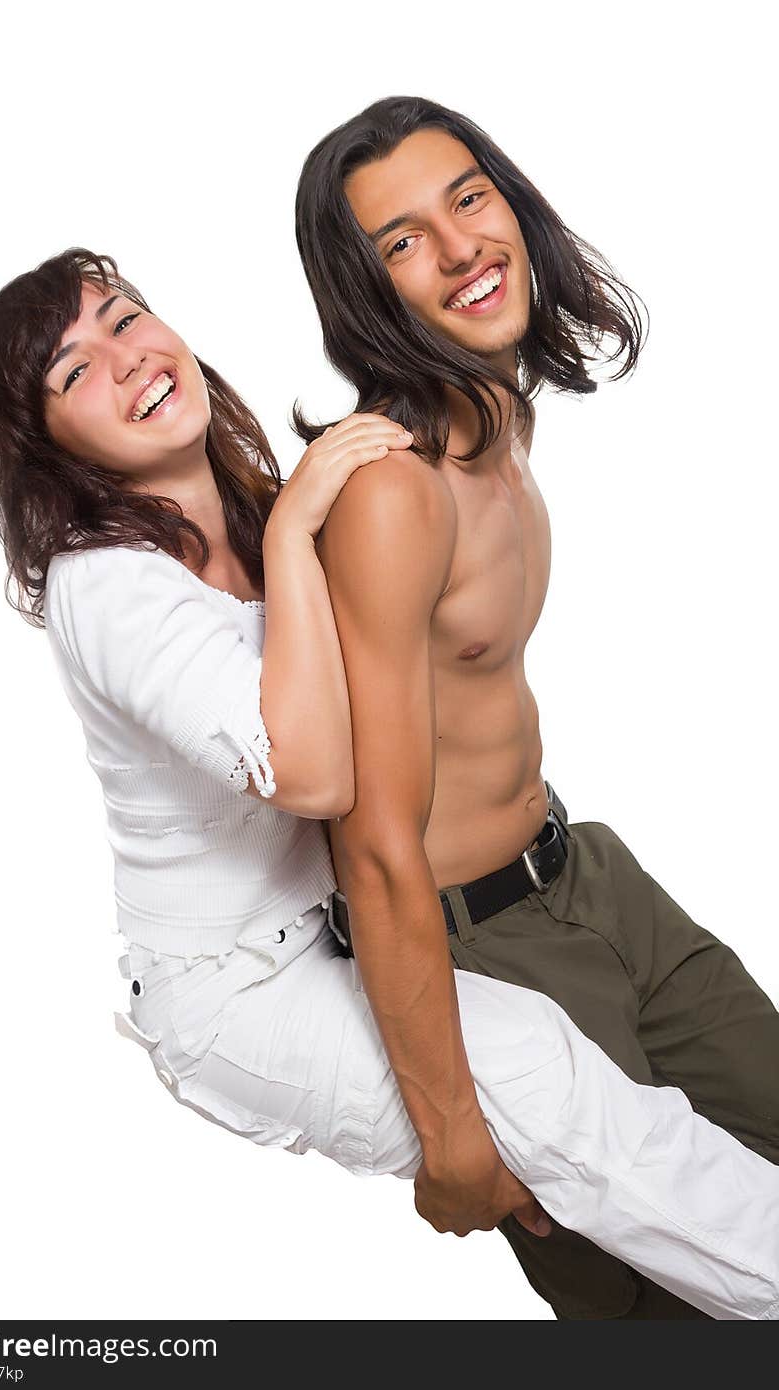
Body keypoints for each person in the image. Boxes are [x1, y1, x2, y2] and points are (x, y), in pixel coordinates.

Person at [0, 247, 779, 1323]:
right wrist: (304, 528)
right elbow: (310, 770)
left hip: (353, 924)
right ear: (52, 449)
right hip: (233, 991)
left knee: (584, 1120)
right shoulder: (106, 584)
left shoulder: (261, 510)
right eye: (72, 372)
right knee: (546, 1087)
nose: (125, 360)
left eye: (124, 319)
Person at [293, 94, 779, 1320]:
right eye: (401, 240)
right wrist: (452, 1124)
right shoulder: (394, 491)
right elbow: (371, 841)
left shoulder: (496, 423)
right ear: (364, 292)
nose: (460, 248)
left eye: (467, 197)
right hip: (483, 950)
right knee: (665, 1305)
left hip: (588, 875)